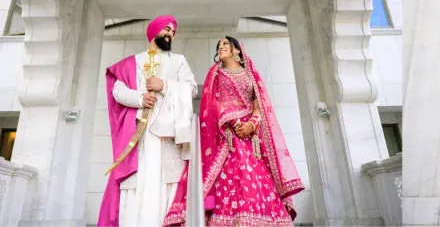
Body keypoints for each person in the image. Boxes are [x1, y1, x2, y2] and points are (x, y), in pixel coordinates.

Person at [164, 36, 304, 226]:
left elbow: (259, 104)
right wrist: (235, 121)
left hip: (251, 138)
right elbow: (211, 104)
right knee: (233, 178)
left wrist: (252, 124)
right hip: (228, 136)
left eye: (225, 44)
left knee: (257, 178)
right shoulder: (216, 74)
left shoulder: (250, 74)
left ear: (237, 50)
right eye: (219, 45)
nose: (221, 47)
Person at [98, 16, 198, 226]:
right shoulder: (132, 62)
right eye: (167, 29)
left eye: (173, 31)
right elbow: (118, 90)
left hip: (169, 134)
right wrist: (140, 98)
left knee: (168, 182)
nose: (170, 33)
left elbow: (191, 88)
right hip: (139, 134)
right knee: (139, 182)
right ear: (154, 32)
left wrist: (165, 85)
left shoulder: (178, 61)